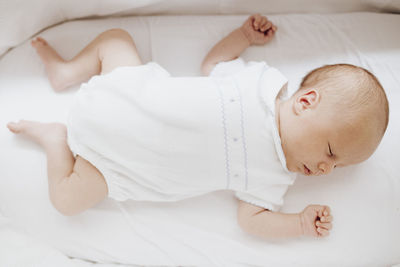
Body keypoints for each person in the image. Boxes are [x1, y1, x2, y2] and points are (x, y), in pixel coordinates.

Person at [7, 14, 389, 239]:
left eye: (336, 168)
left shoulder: (273, 177)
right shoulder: (259, 84)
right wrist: (243, 37)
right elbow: (213, 64)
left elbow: (251, 222)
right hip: (129, 92)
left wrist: (299, 224)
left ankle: (56, 140)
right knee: (117, 39)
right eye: (330, 152)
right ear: (306, 102)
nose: (325, 170)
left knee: (67, 201)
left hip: (116, 164)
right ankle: (67, 72)